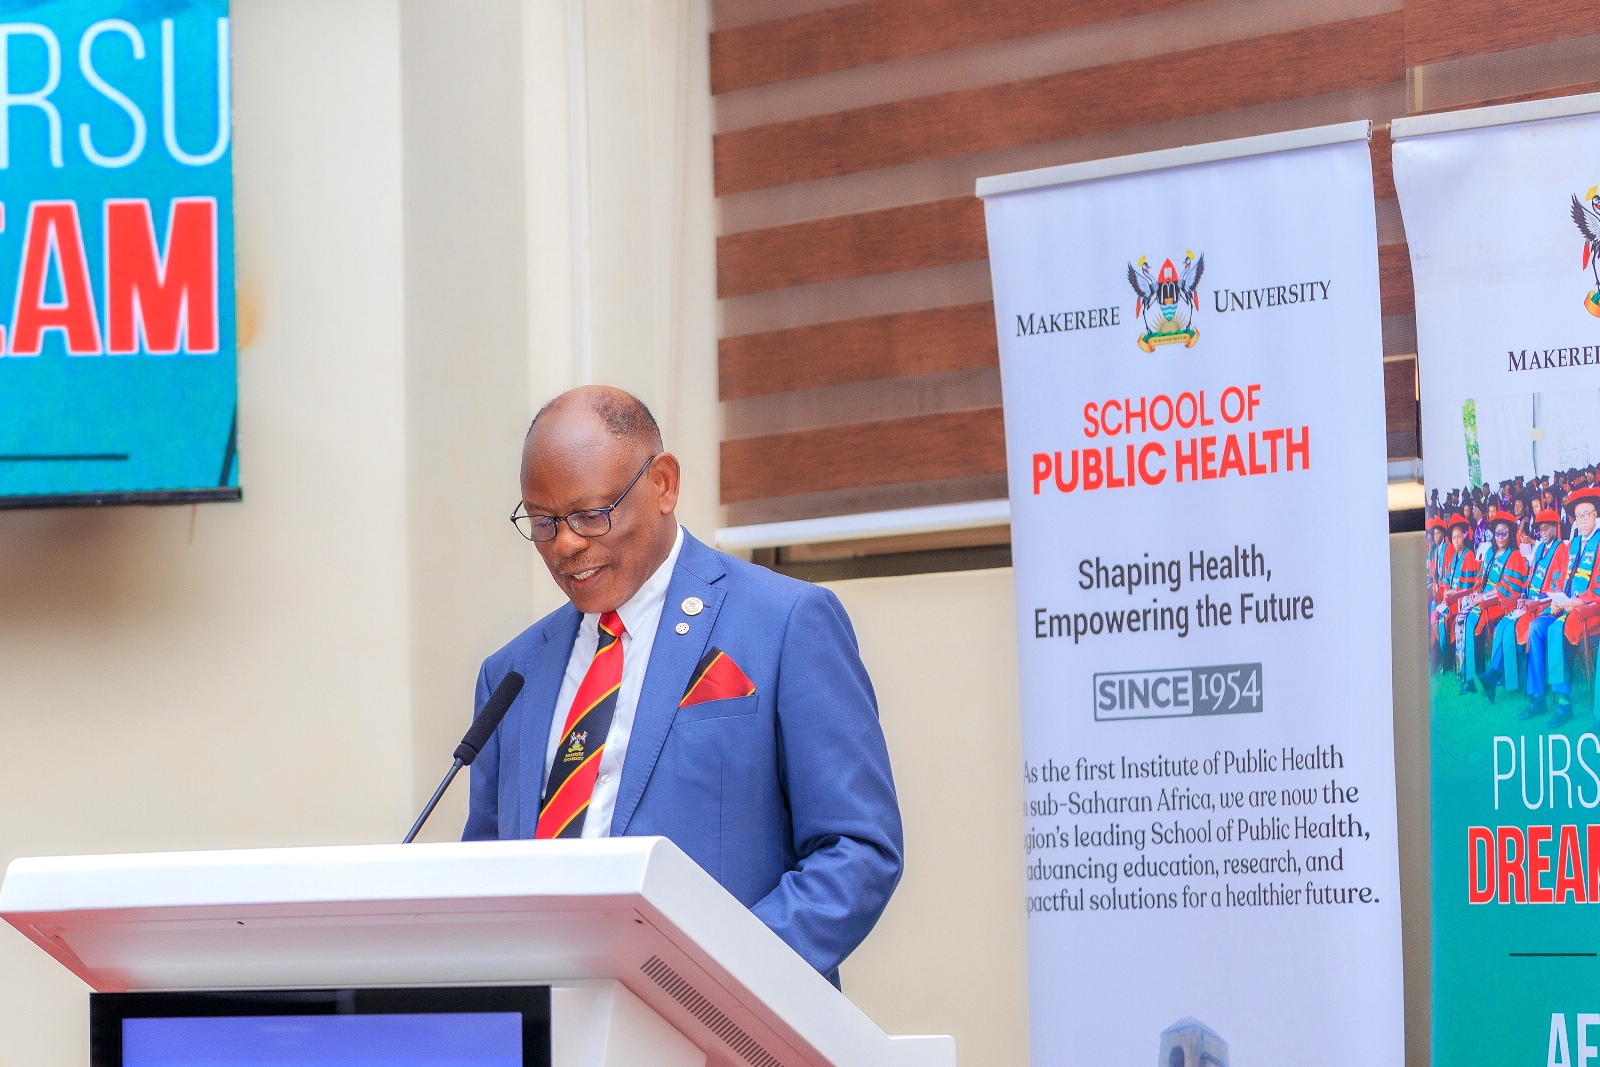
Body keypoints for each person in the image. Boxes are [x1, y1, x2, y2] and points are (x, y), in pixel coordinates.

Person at [462, 385, 904, 985]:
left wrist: (718, 976)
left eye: (592, 515)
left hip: (717, 1025)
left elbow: (856, 850)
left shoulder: (784, 624)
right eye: (543, 522)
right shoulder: (511, 675)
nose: (566, 544)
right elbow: (485, 879)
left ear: (664, 484)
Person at [1522, 488, 1600, 726]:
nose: (1582, 520)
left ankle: (1564, 703)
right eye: (1578, 516)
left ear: (1596, 515)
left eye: (1586, 515)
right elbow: (1561, 580)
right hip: (1565, 607)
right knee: (1535, 627)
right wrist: (1558, 599)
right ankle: (1538, 697)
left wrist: (1578, 601)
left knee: (1557, 630)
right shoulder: (1573, 544)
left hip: (1589, 610)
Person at [1462, 511, 1528, 700]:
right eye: (1497, 533)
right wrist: (1476, 591)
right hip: (1485, 599)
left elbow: (1508, 587)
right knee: (1468, 617)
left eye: (1504, 533)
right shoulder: (1490, 553)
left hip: (1501, 603)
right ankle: (1471, 676)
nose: (1500, 537)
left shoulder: (1514, 555)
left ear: (1510, 534)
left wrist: (1484, 596)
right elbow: (1482, 577)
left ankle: (1479, 677)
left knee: (1474, 618)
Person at [1432, 514, 1477, 674]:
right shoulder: (1455, 556)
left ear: (1464, 536)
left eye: (1458, 537)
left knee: (1443, 617)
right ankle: (1445, 658)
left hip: (1463, 600)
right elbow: (1447, 579)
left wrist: (1452, 592)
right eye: (1453, 538)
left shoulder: (1469, 555)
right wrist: (1445, 591)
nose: (1456, 540)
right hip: (1451, 599)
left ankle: (1448, 660)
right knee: (1435, 614)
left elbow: (1468, 586)